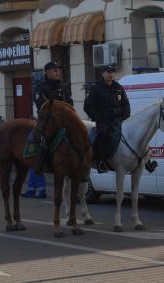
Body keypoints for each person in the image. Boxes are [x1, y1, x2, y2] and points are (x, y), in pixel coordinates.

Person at [22, 61, 73, 198]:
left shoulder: (63, 86)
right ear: (47, 72)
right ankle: (38, 186)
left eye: (58, 70)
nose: (57, 72)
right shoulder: (41, 87)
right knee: (34, 144)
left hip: (65, 123)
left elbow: (70, 103)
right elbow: (41, 105)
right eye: (54, 70)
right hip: (47, 123)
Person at [84, 65, 130, 172]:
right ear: (103, 74)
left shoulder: (119, 88)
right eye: (108, 72)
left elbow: (126, 105)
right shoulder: (96, 88)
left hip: (119, 121)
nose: (111, 74)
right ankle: (100, 161)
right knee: (102, 136)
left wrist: (124, 118)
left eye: (113, 72)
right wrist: (98, 118)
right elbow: (88, 106)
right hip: (104, 122)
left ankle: (144, 161)